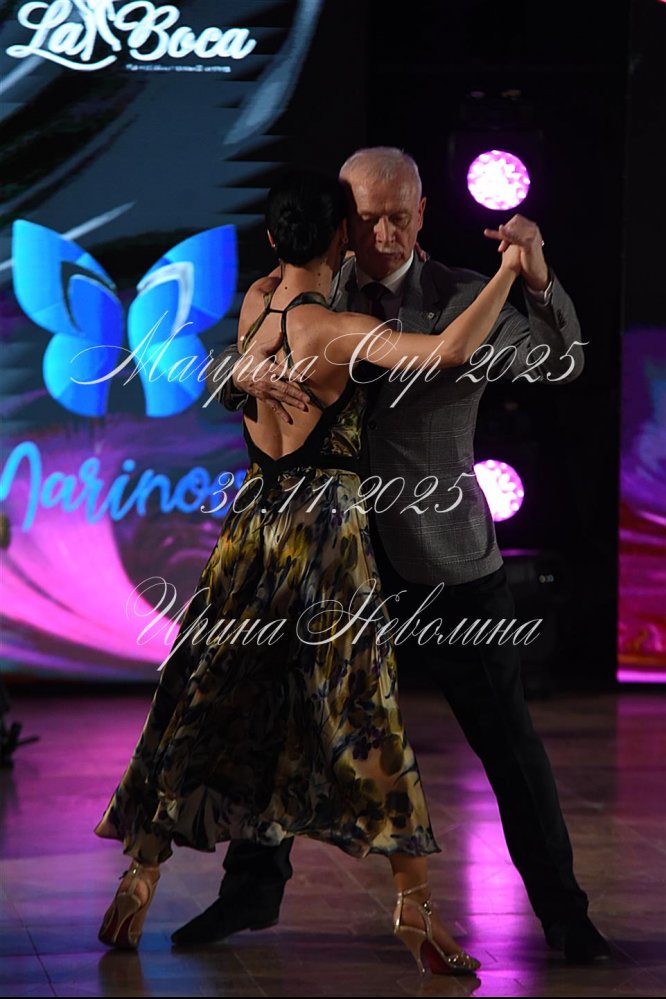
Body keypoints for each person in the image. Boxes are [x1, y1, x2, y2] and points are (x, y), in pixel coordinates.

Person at [181, 147, 611, 965]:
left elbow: (567, 358)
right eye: (368, 217)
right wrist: (243, 376)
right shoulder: (311, 287)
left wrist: (537, 277)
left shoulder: (463, 295)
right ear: (342, 220)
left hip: (446, 559)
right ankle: (252, 889)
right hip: (330, 559)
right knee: (281, 722)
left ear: (422, 213)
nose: (384, 233)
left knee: (508, 739)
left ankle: (564, 911)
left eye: (399, 216)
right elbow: (219, 360)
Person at [94, 167, 524, 974]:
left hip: (252, 533)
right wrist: (507, 269)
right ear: (339, 237)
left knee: (203, 701)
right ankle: (415, 909)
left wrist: (236, 369)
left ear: (271, 238)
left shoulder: (256, 307)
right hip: (324, 542)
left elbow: (227, 356)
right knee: (365, 717)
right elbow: (452, 350)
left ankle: (140, 876)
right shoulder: (340, 330)